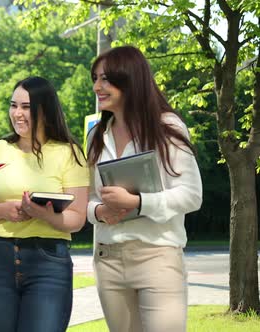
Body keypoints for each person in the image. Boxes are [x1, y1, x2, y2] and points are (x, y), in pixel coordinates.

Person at [86, 45, 203, 332]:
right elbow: (87, 200)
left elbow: (192, 195)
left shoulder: (168, 127)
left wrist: (137, 203)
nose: (97, 87)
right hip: (108, 260)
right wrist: (99, 211)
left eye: (105, 79)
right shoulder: (95, 135)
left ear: (129, 80)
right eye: (95, 79)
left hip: (158, 256)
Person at [0, 76, 90, 332]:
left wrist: (42, 214)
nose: (17, 114)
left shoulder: (69, 153)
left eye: (26, 107)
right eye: (13, 105)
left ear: (45, 109)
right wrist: (0, 210)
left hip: (49, 261)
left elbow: (76, 219)